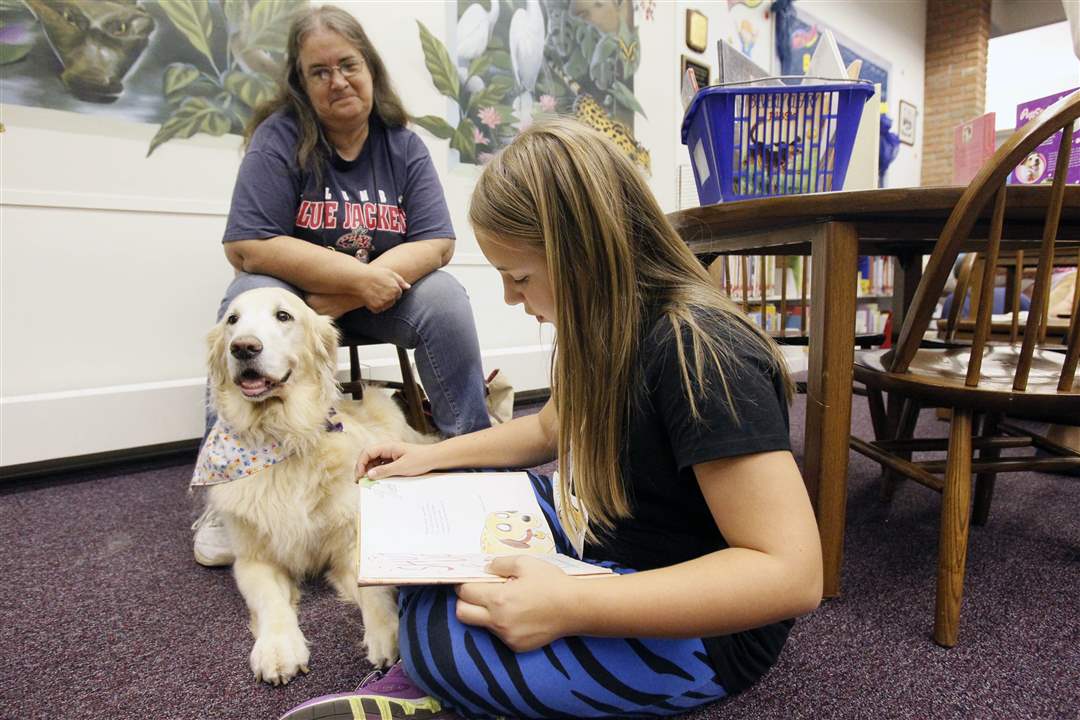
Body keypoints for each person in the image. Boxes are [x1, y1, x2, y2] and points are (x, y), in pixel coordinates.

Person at [281, 119, 823, 720]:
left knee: (438, 640)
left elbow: (791, 575)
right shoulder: (598, 324)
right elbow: (547, 431)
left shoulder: (702, 352)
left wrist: (573, 606)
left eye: (519, 277)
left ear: (585, 255)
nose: (513, 299)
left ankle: (441, 686)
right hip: (608, 533)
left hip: (706, 627)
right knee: (425, 522)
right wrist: (430, 455)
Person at [192, 5, 491, 567]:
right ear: (301, 85)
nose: (338, 81)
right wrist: (357, 278)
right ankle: (224, 493)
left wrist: (354, 294)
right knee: (243, 296)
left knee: (446, 295)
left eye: (348, 65)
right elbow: (248, 245)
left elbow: (437, 242)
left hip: (377, 302)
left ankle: (469, 456)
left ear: (371, 67)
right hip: (298, 313)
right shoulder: (280, 138)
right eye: (319, 72)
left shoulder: (402, 145)